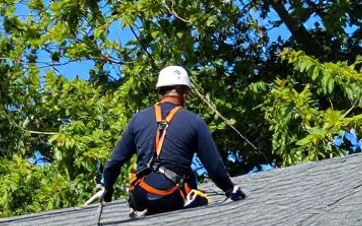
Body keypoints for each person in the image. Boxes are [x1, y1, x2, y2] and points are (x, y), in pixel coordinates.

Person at [88, 66, 245, 217]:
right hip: (171, 196)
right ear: (183, 91)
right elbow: (215, 167)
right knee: (198, 196)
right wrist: (230, 189)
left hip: (140, 197)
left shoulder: (138, 119)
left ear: (160, 92)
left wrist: (107, 191)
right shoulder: (194, 121)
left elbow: (113, 163)